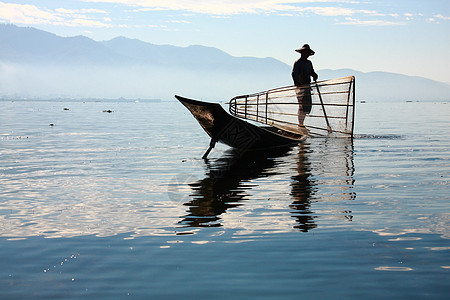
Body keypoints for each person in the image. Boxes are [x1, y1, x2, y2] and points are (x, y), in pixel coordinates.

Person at [292, 44, 318, 126]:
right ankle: (300, 124)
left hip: (307, 87)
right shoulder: (298, 63)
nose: (306, 55)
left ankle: (302, 123)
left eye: (307, 53)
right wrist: (298, 83)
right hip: (300, 88)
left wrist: (314, 75)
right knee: (302, 107)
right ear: (302, 53)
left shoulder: (309, 63)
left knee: (307, 107)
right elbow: (294, 74)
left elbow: (311, 72)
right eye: (305, 53)